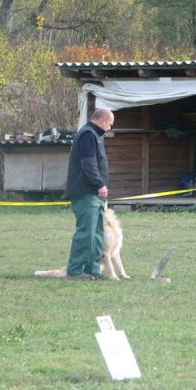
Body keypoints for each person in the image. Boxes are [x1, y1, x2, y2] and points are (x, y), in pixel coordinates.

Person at [64, 108, 115, 281]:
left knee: (97, 233)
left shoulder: (94, 135)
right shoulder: (87, 135)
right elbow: (88, 164)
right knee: (86, 233)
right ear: (102, 120)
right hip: (86, 192)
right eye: (109, 124)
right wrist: (99, 184)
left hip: (95, 194)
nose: (109, 128)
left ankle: (93, 269)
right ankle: (75, 270)